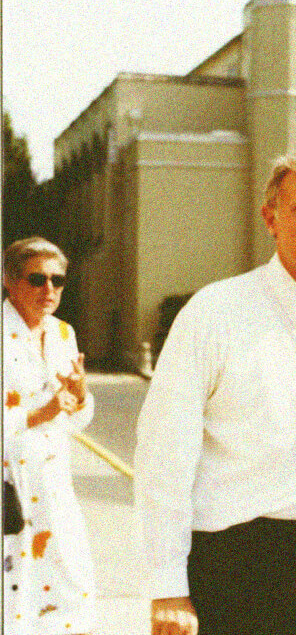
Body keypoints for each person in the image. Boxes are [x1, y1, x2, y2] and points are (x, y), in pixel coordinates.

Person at [134, 147, 296, 635]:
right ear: (271, 219)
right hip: (240, 564)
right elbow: (163, 455)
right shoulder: (215, 313)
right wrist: (167, 585)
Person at [3, 237, 96, 634]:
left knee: (68, 586)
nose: (49, 290)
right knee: (14, 589)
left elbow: (75, 418)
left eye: (58, 281)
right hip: (11, 487)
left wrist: (79, 394)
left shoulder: (63, 334)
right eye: (37, 279)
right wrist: (43, 412)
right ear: (8, 280)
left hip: (54, 485)